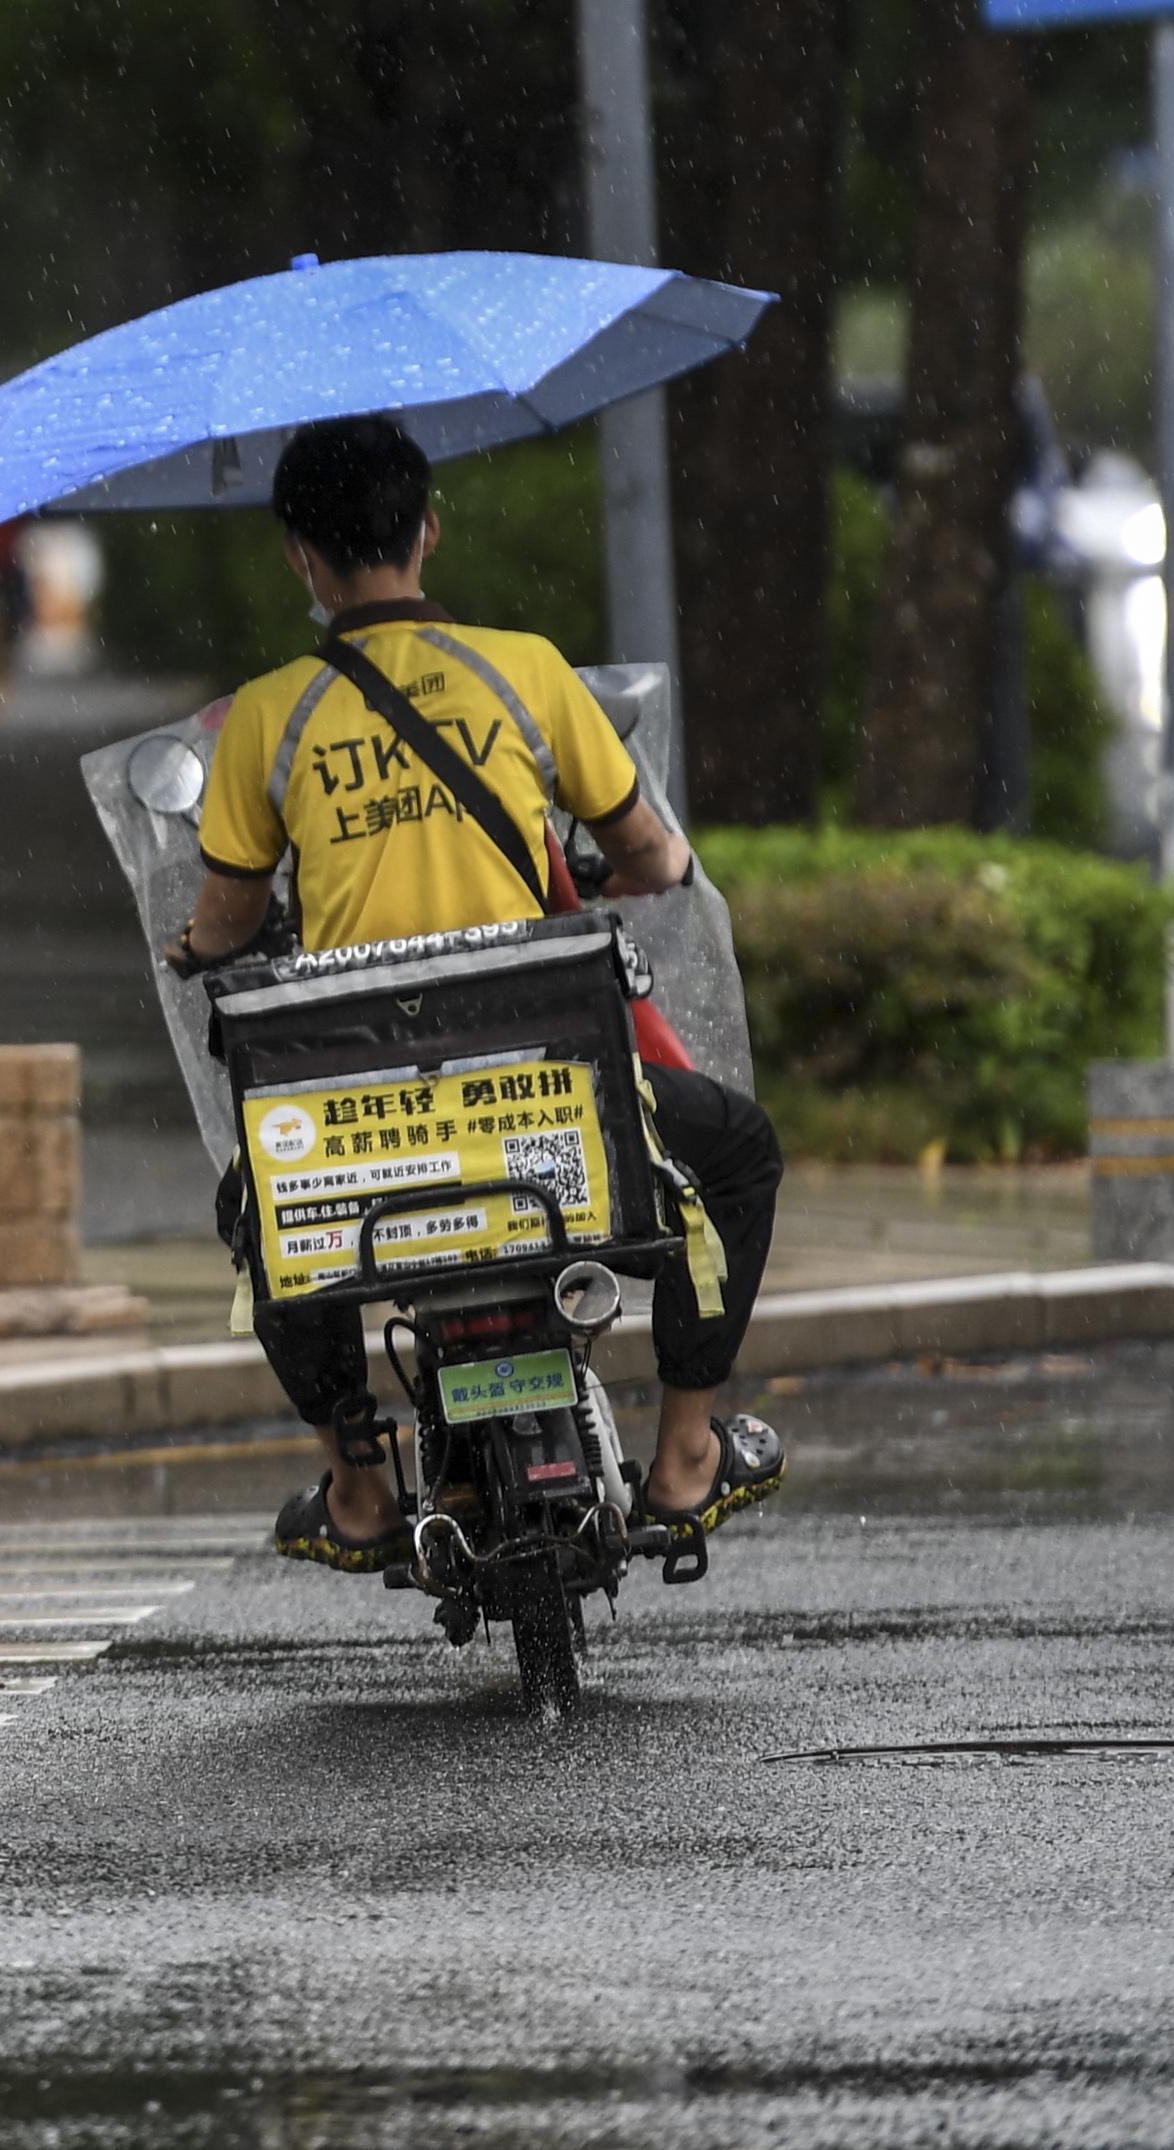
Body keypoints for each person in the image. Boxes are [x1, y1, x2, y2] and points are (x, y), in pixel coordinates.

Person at [167, 417, 787, 1572]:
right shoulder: (529, 669)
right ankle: (688, 1455)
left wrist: (188, 946)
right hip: (552, 1110)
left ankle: (357, 1490)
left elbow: (227, 922)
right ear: (428, 530)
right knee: (737, 1153)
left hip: (366, 1135)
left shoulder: (265, 715)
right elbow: (651, 860)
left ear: (296, 553)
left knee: (261, 1212)